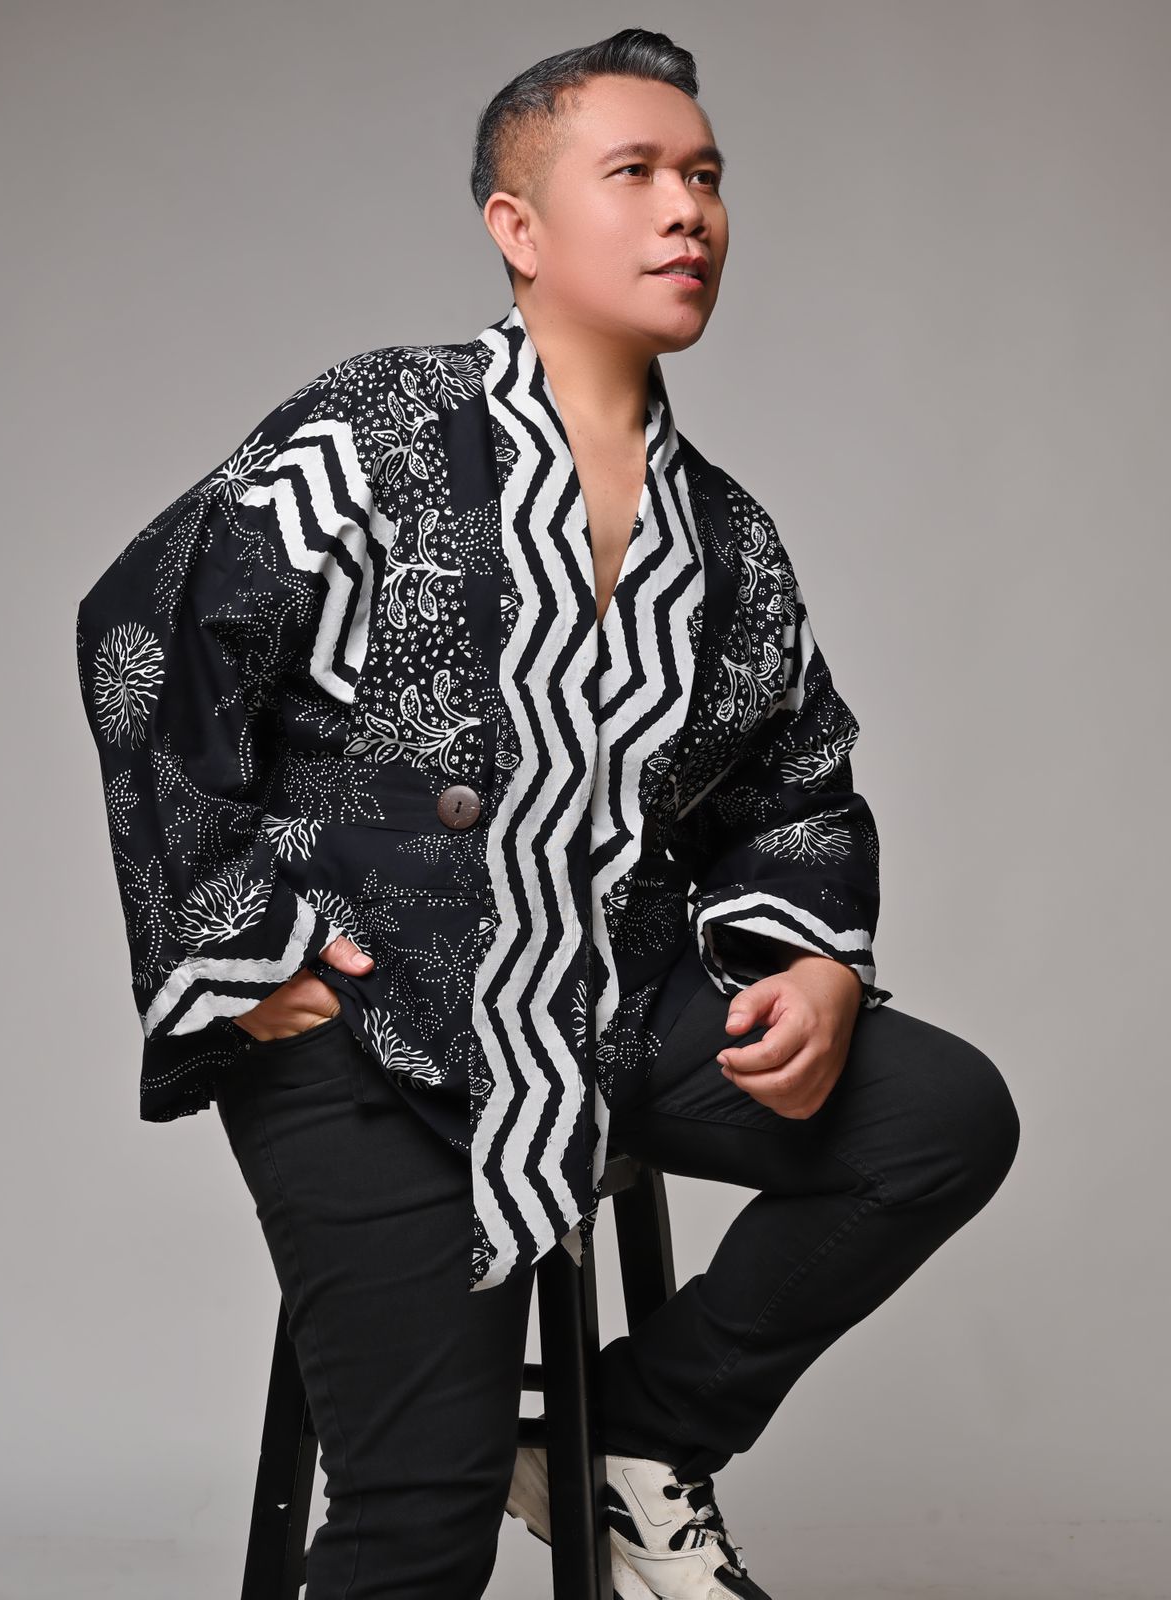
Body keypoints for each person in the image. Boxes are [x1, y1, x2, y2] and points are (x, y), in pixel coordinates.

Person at [75, 27, 1020, 1600]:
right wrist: (245, 943)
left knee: (942, 1119)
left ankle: (641, 1436)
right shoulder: (375, 432)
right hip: (373, 1033)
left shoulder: (728, 538)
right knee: (419, 1533)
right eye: (635, 173)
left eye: (706, 176)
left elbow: (795, 779)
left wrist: (815, 963)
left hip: (611, 1003)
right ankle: (487, 1471)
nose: (688, 210)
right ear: (517, 227)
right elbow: (144, 639)